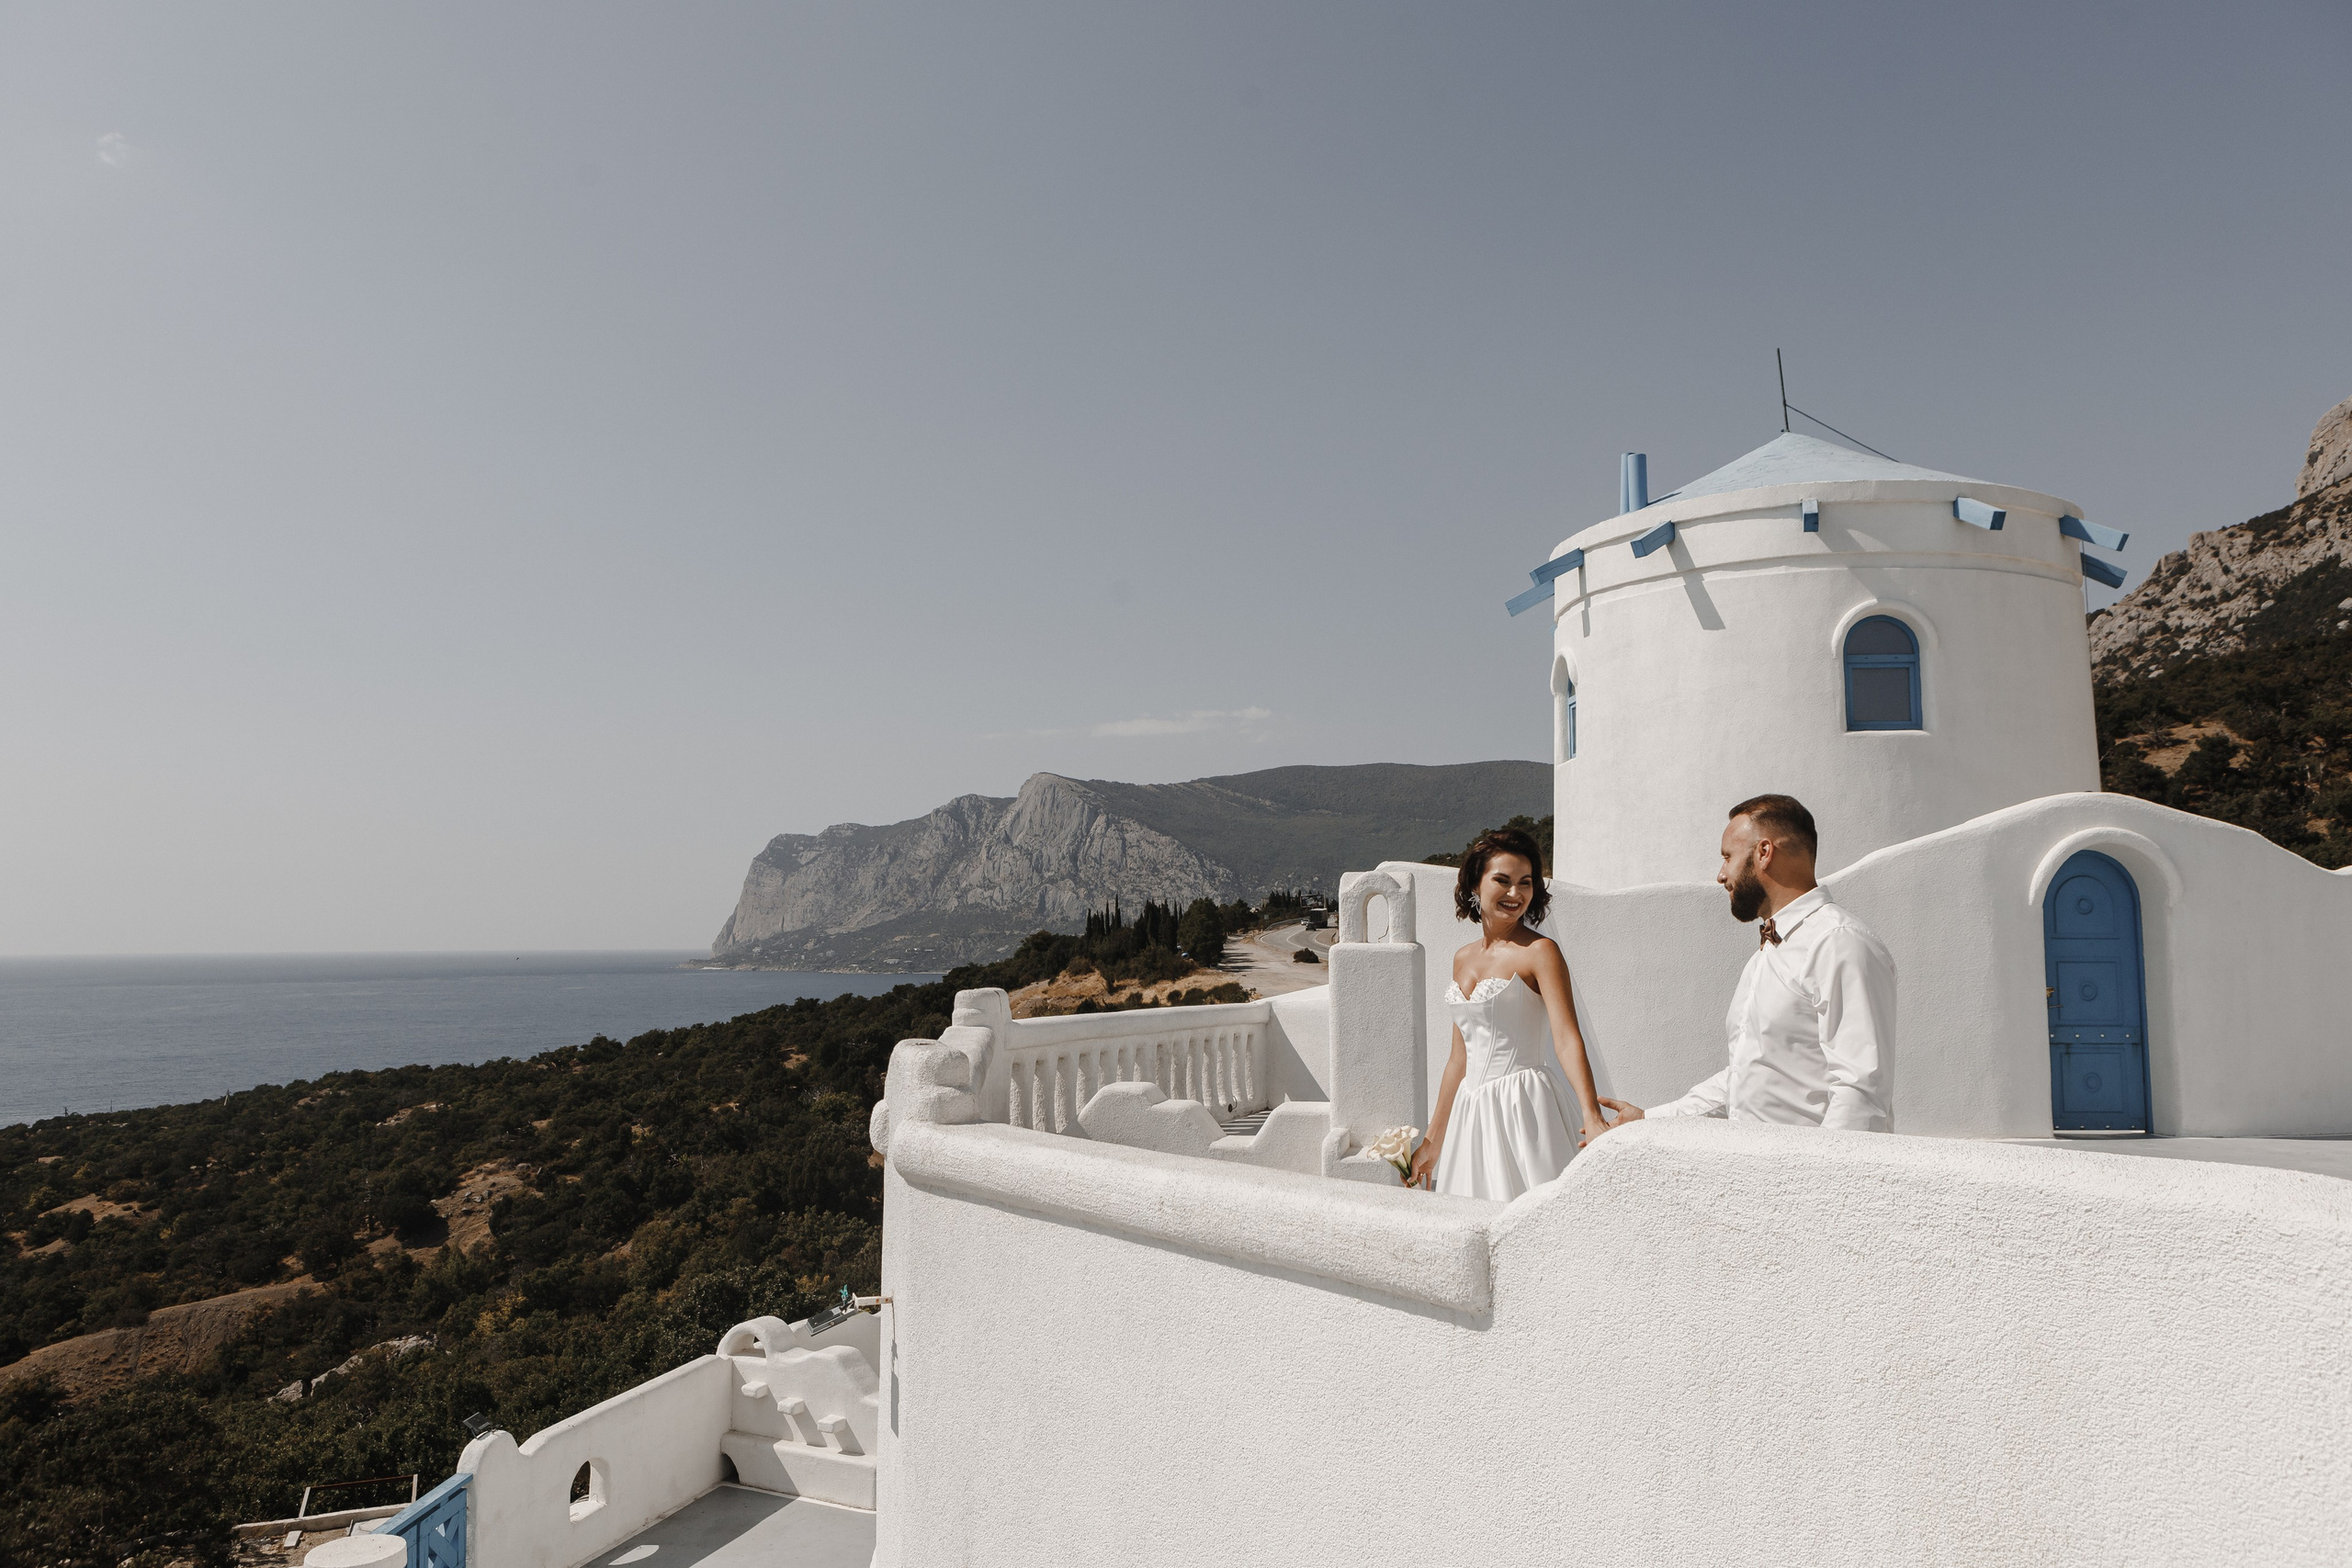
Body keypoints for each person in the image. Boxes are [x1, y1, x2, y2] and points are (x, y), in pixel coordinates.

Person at [1598, 794, 1894, 1135]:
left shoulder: (1838, 942)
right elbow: (1744, 1077)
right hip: (1757, 1164)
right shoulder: (1766, 955)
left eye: (1727, 857)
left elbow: (1860, 1089)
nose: (1720, 875)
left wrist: (1817, 1168)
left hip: (1807, 1165)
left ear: (1764, 853)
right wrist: (1648, 1120)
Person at [1408, 825, 1608, 1198]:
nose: (1515, 893)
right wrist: (1433, 1141)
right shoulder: (1462, 958)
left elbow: (1566, 1039)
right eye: (1502, 880)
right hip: (1471, 1112)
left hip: (1524, 1106)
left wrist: (1592, 1115)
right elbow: (1458, 1060)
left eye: (1525, 883)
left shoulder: (1540, 952)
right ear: (1475, 884)